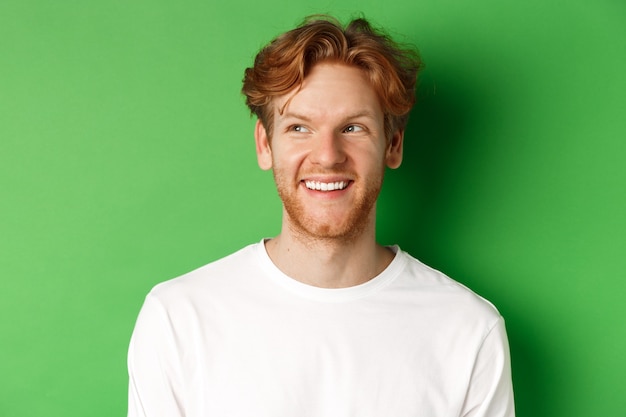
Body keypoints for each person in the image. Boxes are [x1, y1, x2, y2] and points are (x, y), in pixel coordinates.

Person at [127, 15, 515, 417]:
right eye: (299, 128)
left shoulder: (468, 331)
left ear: (393, 145)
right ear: (265, 145)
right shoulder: (178, 319)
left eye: (353, 128)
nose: (328, 155)